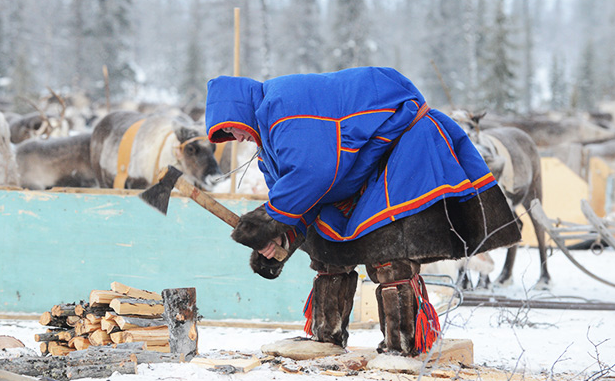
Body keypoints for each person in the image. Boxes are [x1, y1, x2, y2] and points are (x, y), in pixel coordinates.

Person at [205, 67, 521, 356]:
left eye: (232, 129)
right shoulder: (268, 149)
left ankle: (403, 345)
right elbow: (300, 203)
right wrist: (280, 241)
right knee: (326, 249)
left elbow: (313, 172)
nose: (236, 139)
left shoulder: (282, 106)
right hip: (356, 171)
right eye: (226, 137)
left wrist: (266, 220)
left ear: (240, 113)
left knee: (388, 251)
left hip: (402, 142)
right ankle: (326, 338)